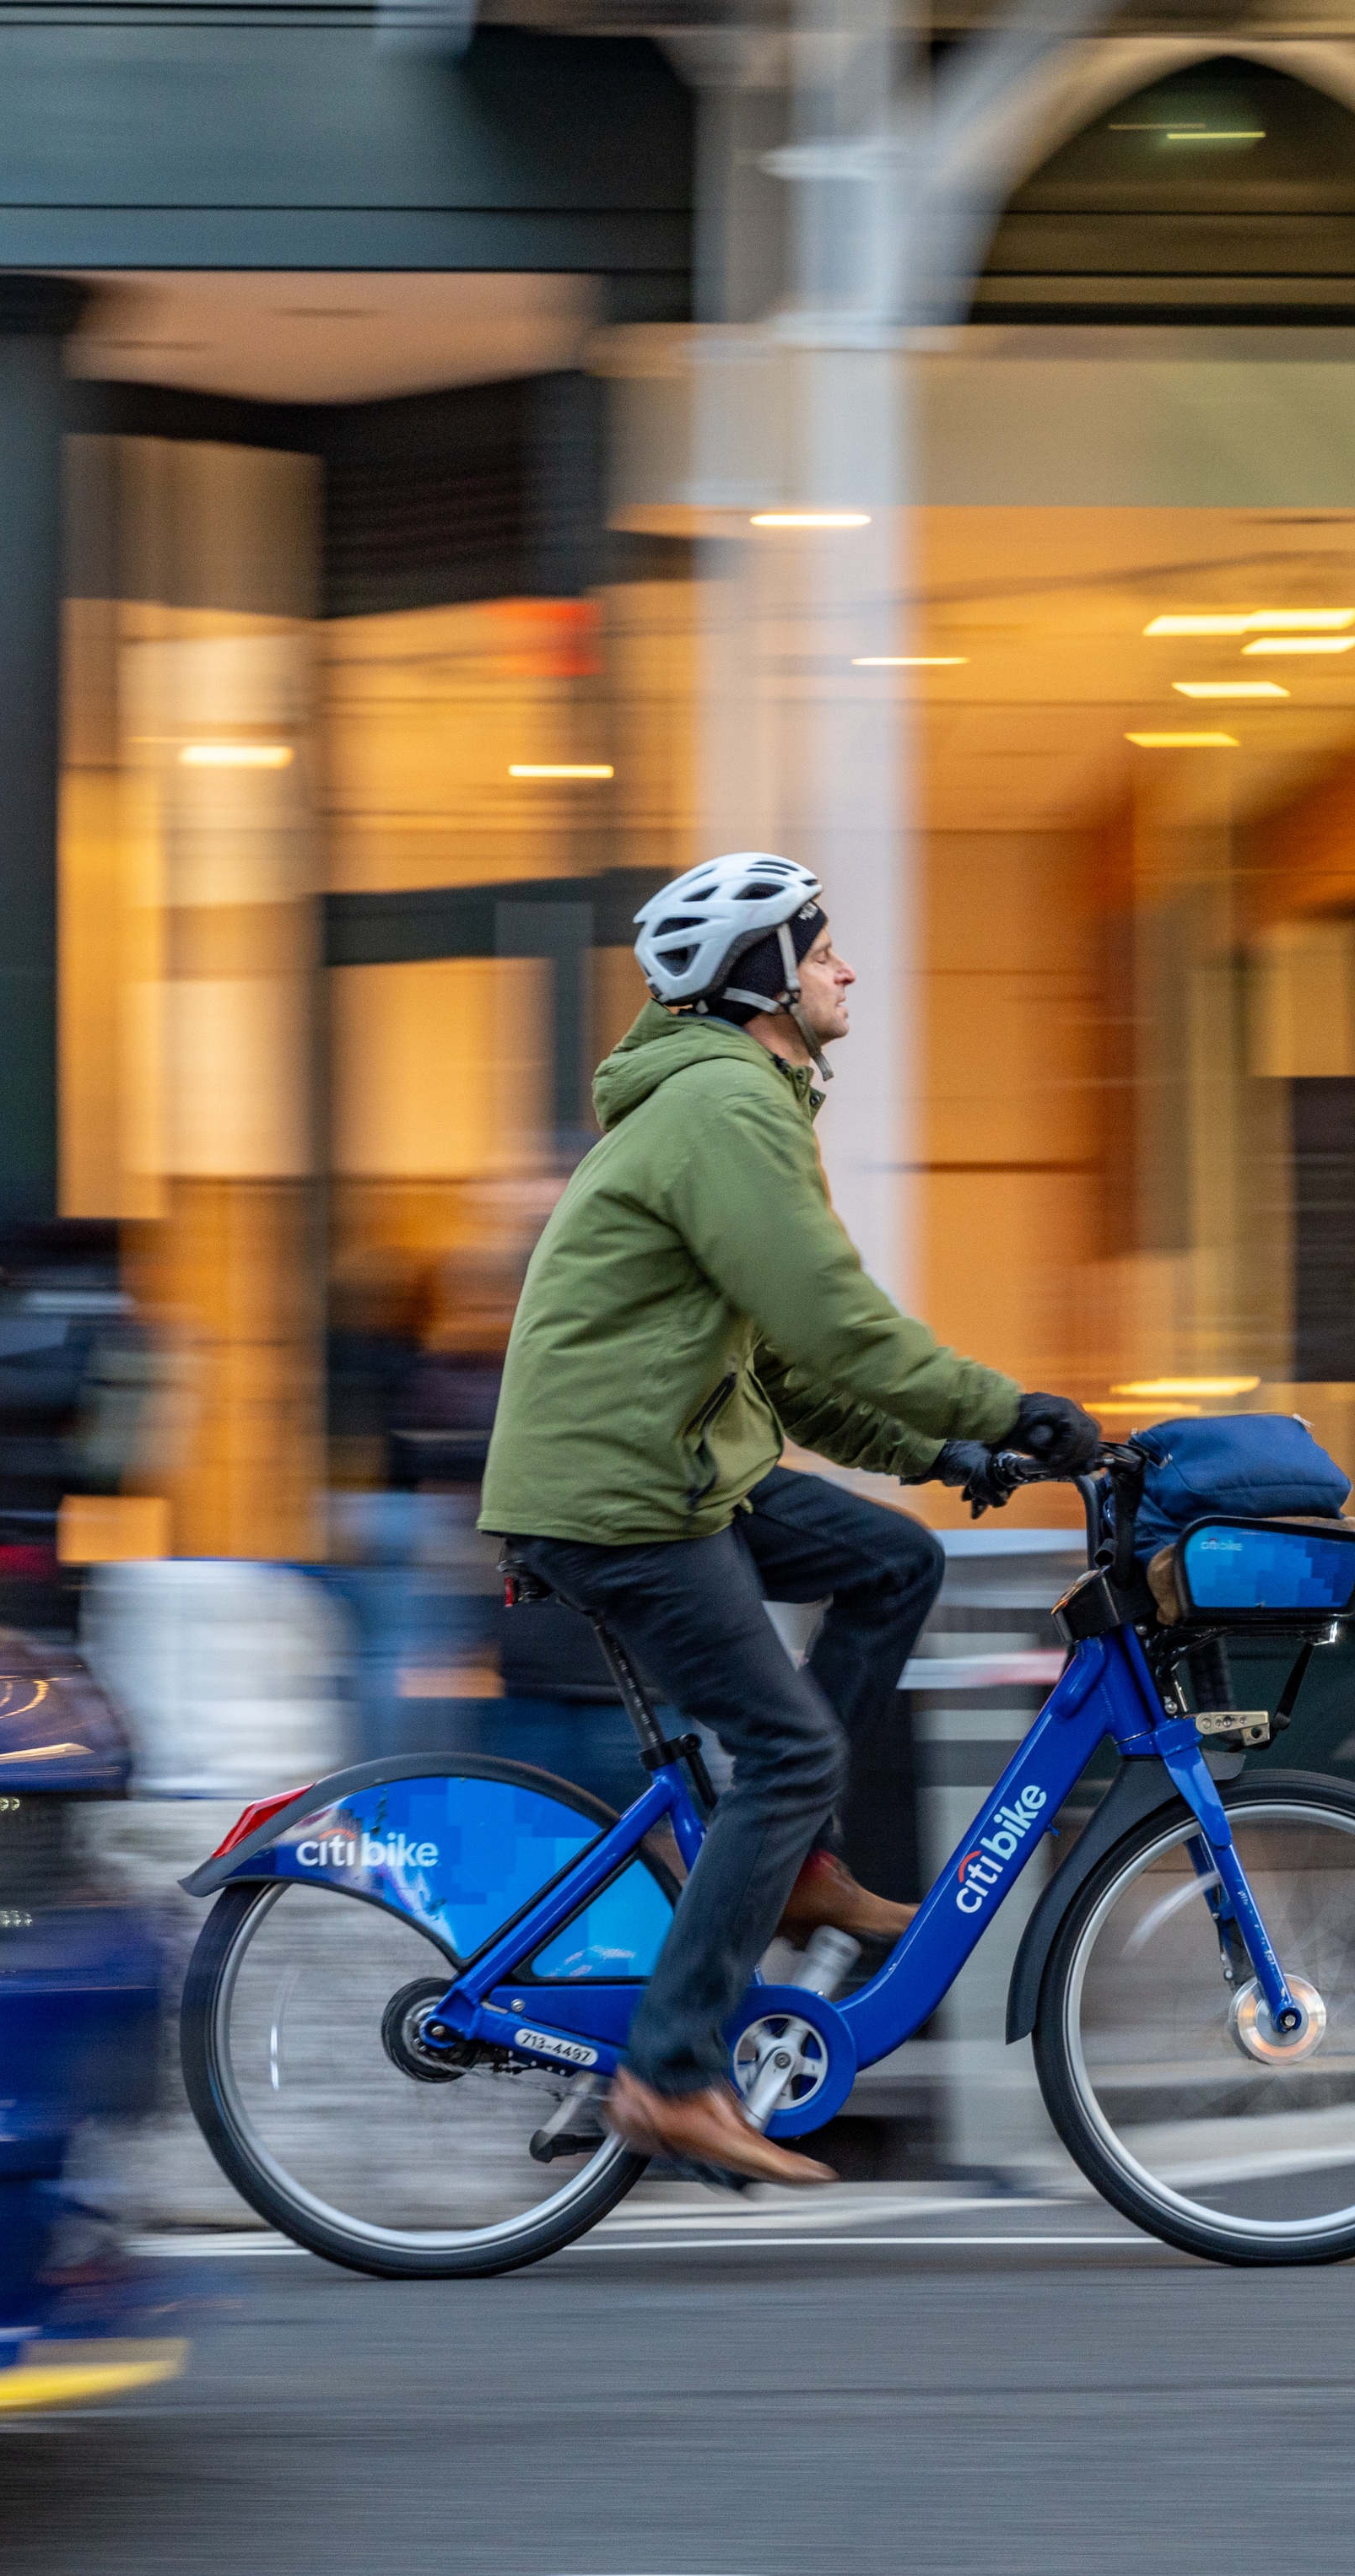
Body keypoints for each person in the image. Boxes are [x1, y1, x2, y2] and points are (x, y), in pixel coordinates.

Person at [481, 851, 1097, 2186]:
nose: (846, 966)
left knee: (891, 1559)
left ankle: (795, 1860)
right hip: (627, 1493)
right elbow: (831, 1314)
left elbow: (782, 1367)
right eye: (821, 947)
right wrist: (1007, 1401)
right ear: (761, 974)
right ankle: (672, 2071)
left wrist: (950, 1446)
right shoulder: (722, 1109)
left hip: (677, 1465)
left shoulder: (735, 1105)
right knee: (788, 1745)